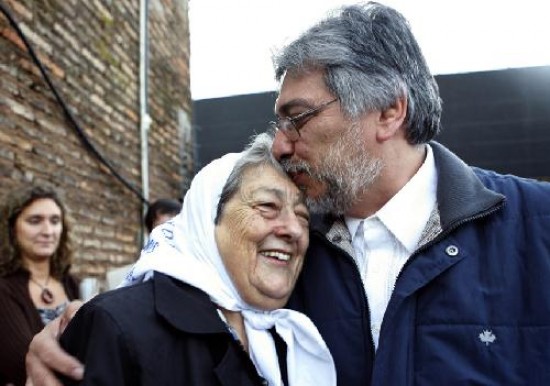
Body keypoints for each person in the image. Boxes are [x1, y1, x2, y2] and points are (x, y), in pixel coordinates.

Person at [25, 2, 550, 385]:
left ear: (390, 111)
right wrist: (79, 334)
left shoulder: (537, 228)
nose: (279, 144)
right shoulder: (280, 255)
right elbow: (175, 302)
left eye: (297, 118)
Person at [56, 133, 336, 385]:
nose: (293, 229)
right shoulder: (116, 325)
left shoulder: (303, 333)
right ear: (207, 219)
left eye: (302, 216)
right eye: (267, 206)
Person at [0, 185, 80, 386]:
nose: (48, 231)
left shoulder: (73, 283)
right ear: (12, 228)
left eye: (55, 221)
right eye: (35, 221)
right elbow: (19, 363)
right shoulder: (4, 288)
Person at [105, 198, 182, 290]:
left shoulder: (196, 276)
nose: (171, 235)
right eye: (164, 229)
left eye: (176, 227)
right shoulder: (121, 279)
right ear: (151, 233)